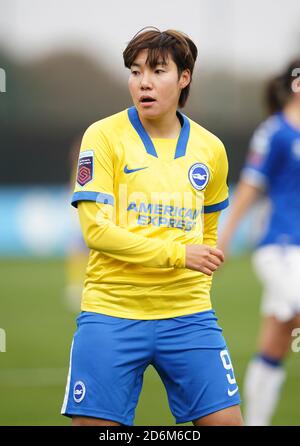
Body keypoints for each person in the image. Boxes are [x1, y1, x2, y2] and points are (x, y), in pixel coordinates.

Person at [61, 27, 243, 426]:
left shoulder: (211, 149)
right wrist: (179, 255)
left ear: (184, 78)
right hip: (112, 313)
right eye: (135, 70)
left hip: (190, 317)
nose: (143, 81)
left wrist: (193, 278)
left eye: (158, 71)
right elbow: (96, 232)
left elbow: (207, 233)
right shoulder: (103, 136)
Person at [218, 59, 300, 425]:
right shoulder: (276, 132)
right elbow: (250, 188)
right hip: (281, 249)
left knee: (276, 340)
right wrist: (226, 237)